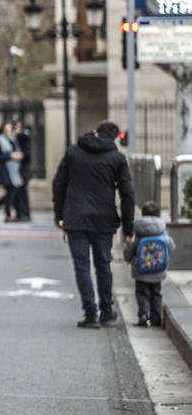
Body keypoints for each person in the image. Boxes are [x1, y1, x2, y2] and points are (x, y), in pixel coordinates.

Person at [52, 120, 135, 328]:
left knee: (81, 266)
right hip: (104, 219)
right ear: (115, 137)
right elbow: (127, 194)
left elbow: (58, 183)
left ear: (96, 132)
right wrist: (128, 228)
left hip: (75, 217)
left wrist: (59, 215)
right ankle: (106, 311)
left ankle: (90, 314)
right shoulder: (117, 158)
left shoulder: (73, 152)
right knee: (103, 265)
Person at [124, 201, 175, 328]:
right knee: (156, 293)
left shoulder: (138, 231)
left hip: (141, 270)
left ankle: (143, 315)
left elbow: (130, 249)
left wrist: (127, 258)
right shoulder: (162, 231)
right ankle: (156, 318)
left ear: (143, 214)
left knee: (142, 293)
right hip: (158, 270)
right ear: (158, 215)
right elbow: (171, 246)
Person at [0, 123, 22, 222]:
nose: (8, 132)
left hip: (14, 170)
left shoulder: (12, 140)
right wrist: (11, 156)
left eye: (9, 130)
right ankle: (5, 213)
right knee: (10, 192)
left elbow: (17, 150)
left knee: (11, 192)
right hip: (5, 170)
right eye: (6, 130)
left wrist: (18, 155)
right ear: (2, 131)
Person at [12, 124, 33, 222]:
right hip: (19, 170)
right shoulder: (18, 138)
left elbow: (26, 154)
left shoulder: (23, 136)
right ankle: (21, 213)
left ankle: (24, 214)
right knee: (18, 193)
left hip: (23, 170)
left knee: (22, 192)